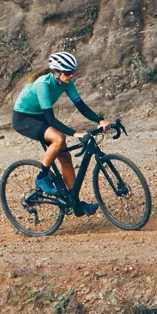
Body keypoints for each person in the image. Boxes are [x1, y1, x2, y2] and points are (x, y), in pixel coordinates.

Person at [11, 50, 110, 214]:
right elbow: (50, 119)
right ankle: (42, 177)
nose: (71, 75)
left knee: (66, 158)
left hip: (40, 115)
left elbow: (81, 106)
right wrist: (75, 133)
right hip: (24, 118)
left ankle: (75, 203)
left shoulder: (66, 83)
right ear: (56, 72)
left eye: (73, 72)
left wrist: (100, 120)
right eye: (68, 72)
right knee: (58, 138)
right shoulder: (42, 84)